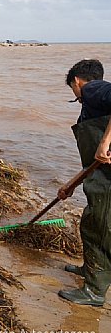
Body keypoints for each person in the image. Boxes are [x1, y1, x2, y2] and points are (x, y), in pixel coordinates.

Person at [57, 59, 111, 307]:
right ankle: (91, 270)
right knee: (95, 225)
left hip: (108, 182)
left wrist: (104, 143)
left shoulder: (92, 89)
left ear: (77, 81)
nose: (77, 97)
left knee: (97, 228)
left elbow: (100, 153)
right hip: (99, 178)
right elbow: (92, 162)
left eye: (73, 90)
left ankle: (95, 292)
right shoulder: (94, 105)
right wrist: (71, 185)